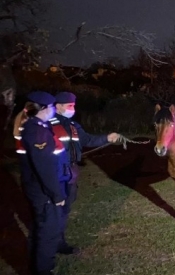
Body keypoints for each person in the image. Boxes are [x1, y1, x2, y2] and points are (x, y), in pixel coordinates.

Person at [52, 91, 121, 254]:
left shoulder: (73, 126)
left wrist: (107, 138)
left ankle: (59, 241)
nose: (72, 109)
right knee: (52, 210)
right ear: (58, 106)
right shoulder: (48, 125)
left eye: (74, 106)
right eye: (69, 106)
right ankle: (48, 243)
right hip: (55, 174)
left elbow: (88, 140)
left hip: (70, 173)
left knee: (65, 208)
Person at [15, 91, 69, 275]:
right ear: (44, 109)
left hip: (36, 187)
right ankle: (44, 269)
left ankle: (35, 265)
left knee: (40, 228)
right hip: (43, 191)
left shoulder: (34, 126)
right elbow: (45, 168)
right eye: (53, 106)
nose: (54, 109)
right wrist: (57, 194)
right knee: (48, 232)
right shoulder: (37, 131)